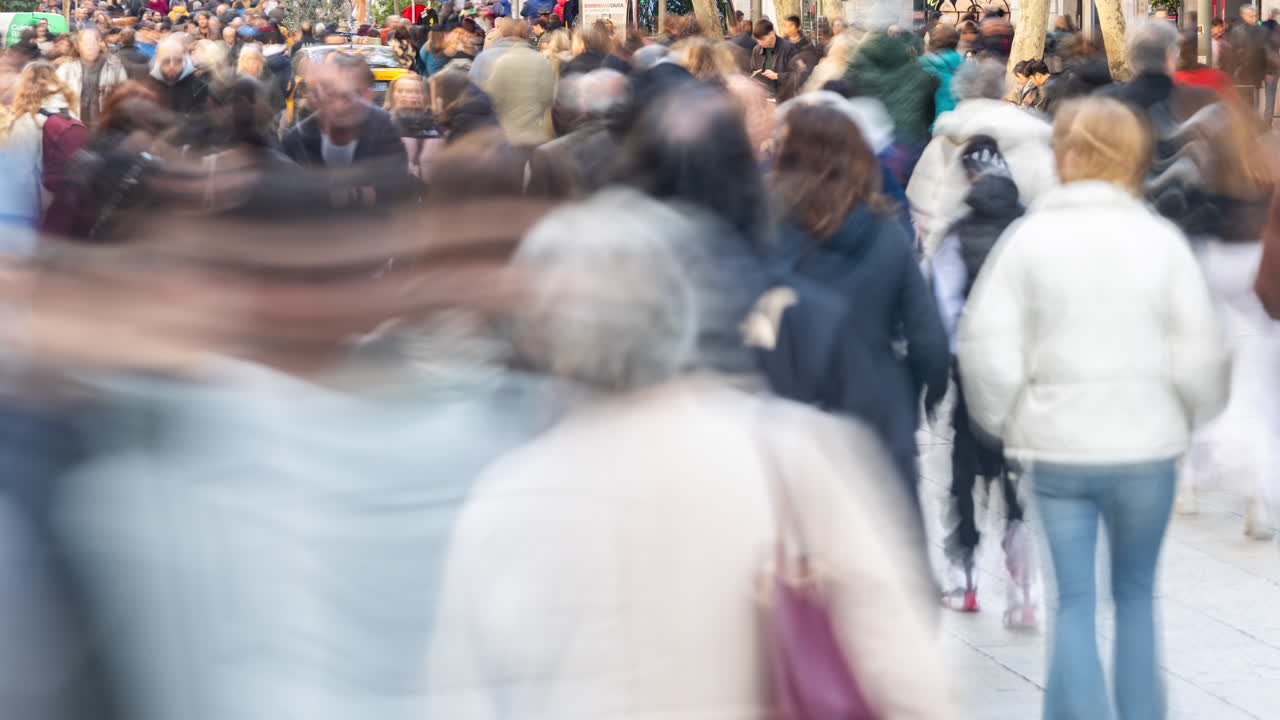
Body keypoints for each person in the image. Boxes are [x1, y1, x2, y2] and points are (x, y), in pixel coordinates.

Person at [424, 188, 951, 720]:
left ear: (540, 334)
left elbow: (462, 695)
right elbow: (908, 679)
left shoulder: (506, 500)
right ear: (682, 307)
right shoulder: (792, 454)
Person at [957, 96, 1229, 720]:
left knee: (1073, 605)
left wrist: (1008, 419)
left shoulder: (1030, 240)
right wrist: (1186, 413)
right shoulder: (1159, 242)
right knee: (1135, 599)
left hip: (1057, 446)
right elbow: (1201, 353)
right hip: (1147, 448)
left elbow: (986, 348)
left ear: (1065, 154)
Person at [769, 100, 949, 559]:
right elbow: (927, 334)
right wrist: (922, 393)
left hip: (784, 403)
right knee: (883, 551)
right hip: (873, 401)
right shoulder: (886, 231)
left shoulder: (760, 227)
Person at [930, 135, 1037, 623]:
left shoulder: (955, 235)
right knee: (1016, 477)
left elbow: (943, 310)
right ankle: (1022, 590)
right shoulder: (1030, 232)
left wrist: (943, 371)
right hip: (1020, 374)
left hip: (972, 373)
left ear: (970, 178)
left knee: (963, 474)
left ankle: (965, 577)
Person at [907, 59, 1057, 257]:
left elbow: (924, 207)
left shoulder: (947, 140)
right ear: (1001, 89)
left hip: (961, 254)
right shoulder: (1034, 136)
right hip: (1021, 251)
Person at [282, 52, 409, 209]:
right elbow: (291, 197)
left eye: (352, 93)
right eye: (332, 91)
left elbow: (398, 188)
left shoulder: (384, 128)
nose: (341, 104)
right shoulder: (298, 138)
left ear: (368, 93)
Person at [56, 28, 128, 128]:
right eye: (85, 44)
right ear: (78, 47)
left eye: (93, 43)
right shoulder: (66, 69)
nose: (90, 48)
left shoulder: (115, 67)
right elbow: (56, 98)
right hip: (74, 126)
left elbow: (123, 97)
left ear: (100, 45)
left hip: (104, 127)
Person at [384, 73, 444, 183]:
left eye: (416, 91)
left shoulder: (436, 122)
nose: (407, 95)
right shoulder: (382, 120)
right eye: (401, 91)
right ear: (392, 94)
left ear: (426, 96)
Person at [151, 35, 211, 115]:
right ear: (158, 60)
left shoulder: (199, 87)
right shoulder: (147, 86)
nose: (172, 66)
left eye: (177, 61)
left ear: (185, 60)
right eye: (166, 61)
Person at [919, 24, 962, 121]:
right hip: (958, 119)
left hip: (933, 120)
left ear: (931, 41)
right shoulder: (964, 62)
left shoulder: (924, 62)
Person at [749, 19, 800, 101]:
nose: (761, 43)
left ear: (772, 33)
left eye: (763, 40)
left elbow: (798, 75)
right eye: (758, 41)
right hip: (763, 99)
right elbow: (753, 70)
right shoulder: (757, 50)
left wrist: (777, 76)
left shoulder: (789, 48)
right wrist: (756, 74)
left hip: (783, 98)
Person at [1229, 4, 1268, 108]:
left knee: (1254, 102)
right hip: (1242, 72)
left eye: (1256, 15)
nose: (1254, 18)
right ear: (1243, 16)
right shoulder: (1237, 31)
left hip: (1255, 73)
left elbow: (1265, 51)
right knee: (1244, 102)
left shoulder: (1262, 31)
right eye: (1251, 16)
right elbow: (1233, 52)